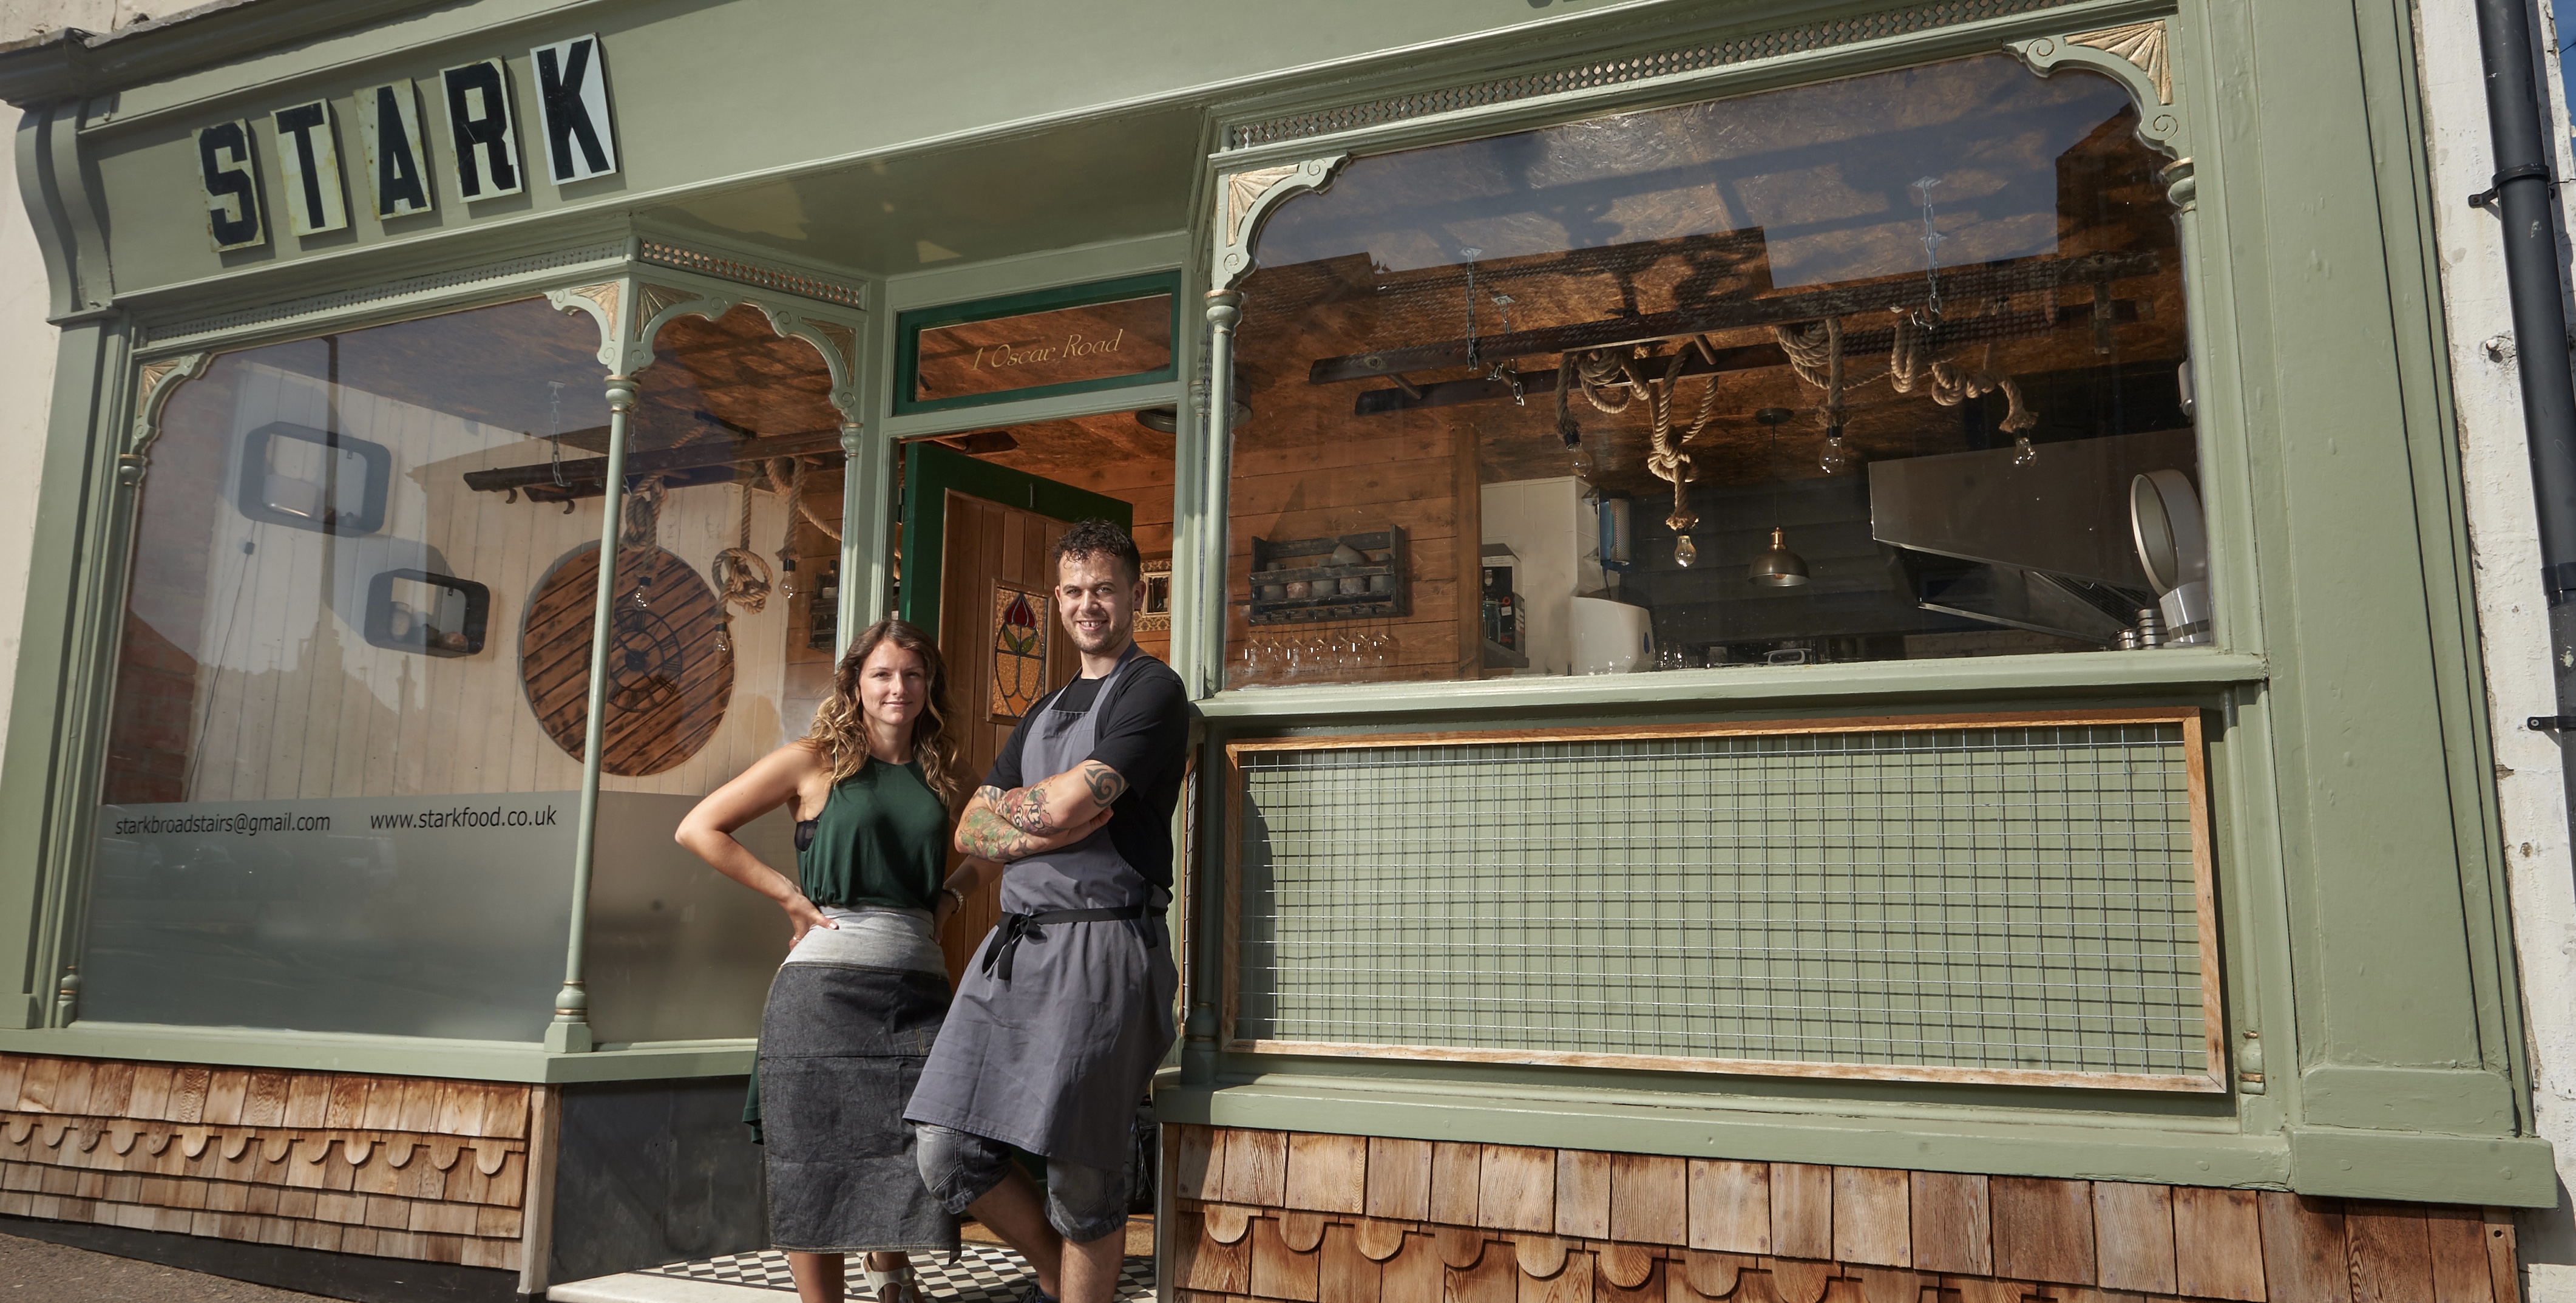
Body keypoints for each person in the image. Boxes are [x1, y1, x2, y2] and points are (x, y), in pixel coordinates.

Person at [907, 519, 1190, 1303]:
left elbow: (1062, 802)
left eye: (1102, 588)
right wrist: (1048, 824)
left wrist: (1031, 817)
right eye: (1072, 590)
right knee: (945, 1148)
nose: (1086, 604)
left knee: (1083, 1173)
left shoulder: (1152, 691)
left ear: (1135, 593)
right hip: (1013, 954)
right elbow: (971, 827)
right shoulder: (1043, 708)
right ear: (1056, 599)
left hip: (1103, 947)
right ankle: (1052, 1275)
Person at [676, 619, 978, 1303]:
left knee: (916, 1142)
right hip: (822, 991)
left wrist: (951, 898)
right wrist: (788, 895)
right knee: (814, 1160)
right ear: (855, 684)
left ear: (930, 684)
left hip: (917, 988)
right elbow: (698, 828)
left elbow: (995, 845)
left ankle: (890, 1270)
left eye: (912, 674)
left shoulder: (946, 770)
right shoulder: (814, 760)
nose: (898, 687)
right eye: (882, 674)